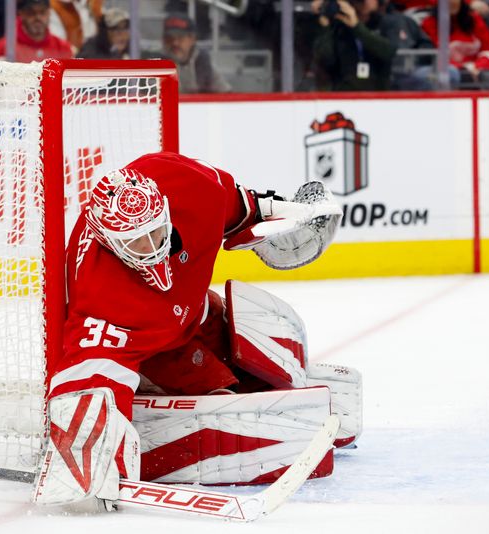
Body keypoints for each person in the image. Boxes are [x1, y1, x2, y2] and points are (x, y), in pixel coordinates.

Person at [31, 152, 357, 510]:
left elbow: (245, 210)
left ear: (163, 207)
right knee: (222, 402)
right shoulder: (100, 297)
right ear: (108, 241)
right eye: (137, 242)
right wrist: (84, 457)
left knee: (256, 324)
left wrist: (284, 217)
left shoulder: (193, 186)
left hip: (194, 310)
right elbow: (87, 374)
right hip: (156, 347)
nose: (153, 247)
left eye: (156, 230)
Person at [312, 0, 397, 90]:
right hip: (342, 96)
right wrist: (325, 25)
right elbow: (325, 59)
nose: (362, 2)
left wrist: (356, 26)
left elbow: (389, 52)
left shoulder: (387, 22)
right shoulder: (338, 27)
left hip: (379, 96)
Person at [421, 0, 489, 85]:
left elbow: (488, 49)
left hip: (478, 70)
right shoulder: (429, 23)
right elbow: (434, 54)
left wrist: (477, 66)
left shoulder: (474, 19)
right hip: (451, 75)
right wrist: (463, 69)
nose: (452, 2)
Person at [162, 13, 231, 93]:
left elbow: (226, 94)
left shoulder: (202, 62)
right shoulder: (156, 62)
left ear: (192, 39)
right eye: (169, 38)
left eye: (180, 38)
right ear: (163, 40)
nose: (175, 43)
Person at [0, 0, 73, 62]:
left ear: (49, 13)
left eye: (42, 12)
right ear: (21, 14)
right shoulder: (5, 47)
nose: (38, 17)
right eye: (31, 13)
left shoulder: (63, 47)